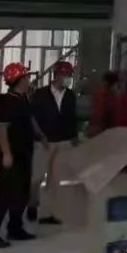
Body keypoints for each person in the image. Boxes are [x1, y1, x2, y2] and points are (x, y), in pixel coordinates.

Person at [0, 63, 47, 248]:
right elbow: (2, 128)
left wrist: (40, 135)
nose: (29, 80)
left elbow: (30, 119)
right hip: (12, 155)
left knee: (22, 193)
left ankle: (15, 228)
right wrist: (7, 153)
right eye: (26, 77)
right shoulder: (7, 102)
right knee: (5, 195)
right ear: (19, 80)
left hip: (25, 153)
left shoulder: (23, 98)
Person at [28, 60, 79, 225]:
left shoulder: (70, 96)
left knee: (55, 179)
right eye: (66, 75)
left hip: (62, 142)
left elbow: (72, 119)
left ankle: (49, 212)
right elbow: (32, 117)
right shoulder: (41, 94)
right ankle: (32, 204)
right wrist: (40, 135)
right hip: (43, 142)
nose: (68, 78)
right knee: (36, 176)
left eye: (70, 76)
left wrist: (74, 138)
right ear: (57, 75)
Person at [89, 70, 120, 136]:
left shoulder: (101, 93)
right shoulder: (109, 95)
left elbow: (97, 112)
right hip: (104, 130)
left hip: (100, 129)